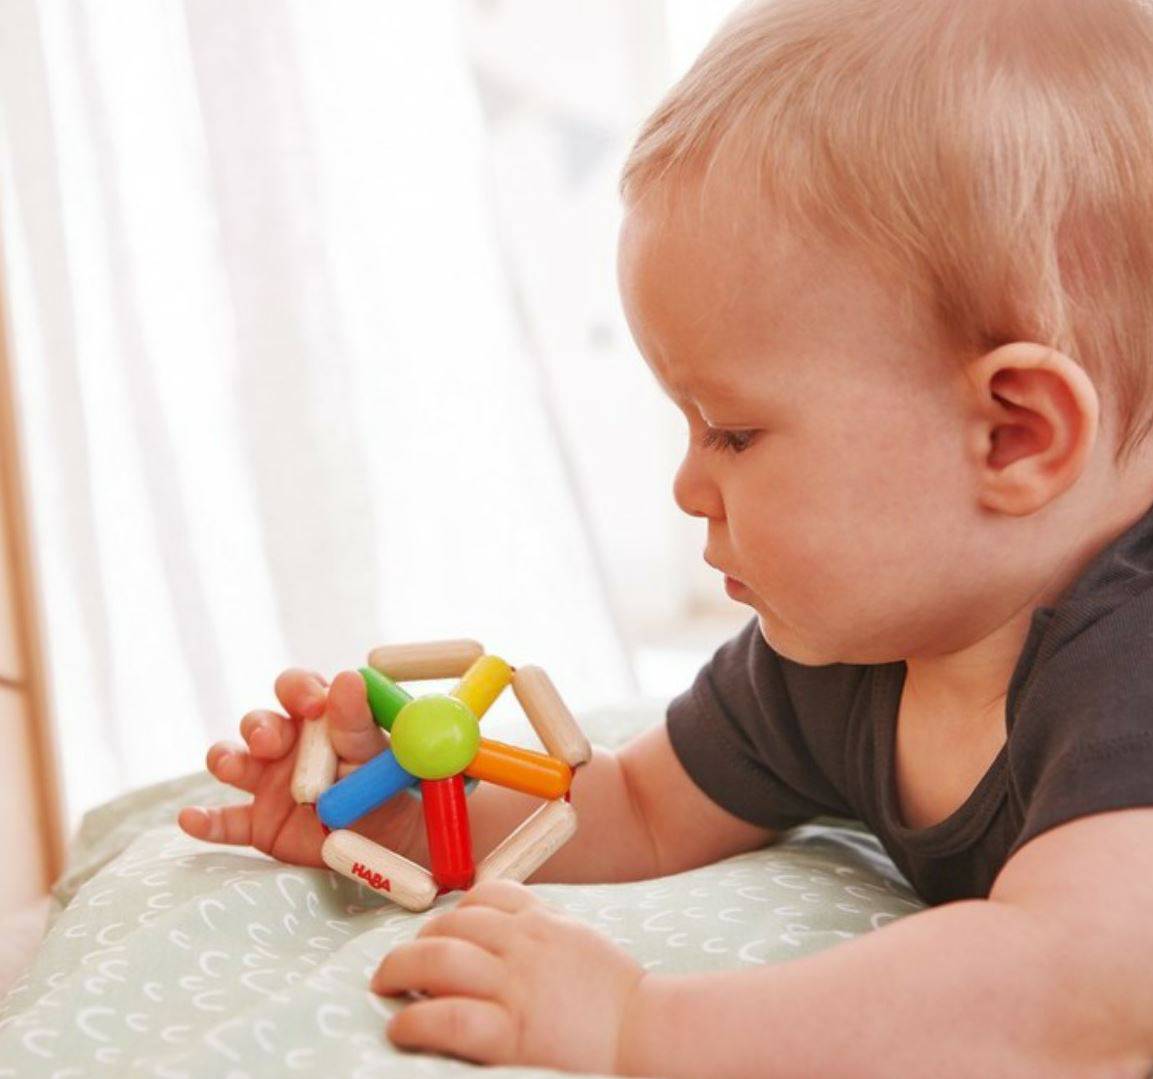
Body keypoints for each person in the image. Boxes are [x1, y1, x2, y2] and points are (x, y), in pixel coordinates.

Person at [178, 0, 1153, 1073]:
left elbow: (1079, 988)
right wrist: (406, 818)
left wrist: (642, 1024)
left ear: (1012, 434)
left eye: (731, 431)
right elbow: (639, 805)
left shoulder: (1129, 665)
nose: (687, 486)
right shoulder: (843, 651)